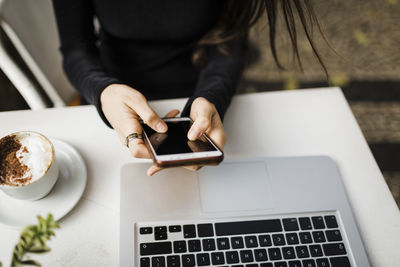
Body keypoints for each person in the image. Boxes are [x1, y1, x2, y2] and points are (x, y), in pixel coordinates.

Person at [52, 0, 326, 175]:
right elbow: (76, 48)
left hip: (202, 88)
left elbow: (229, 41)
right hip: (115, 96)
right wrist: (103, 91)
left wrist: (212, 97)